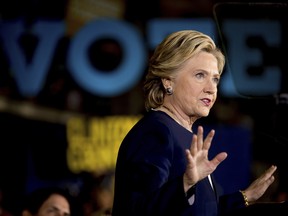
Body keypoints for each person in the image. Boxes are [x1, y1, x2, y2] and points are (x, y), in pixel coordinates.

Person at [111, 29, 277, 216]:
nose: (211, 89)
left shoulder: (182, 133)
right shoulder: (156, 132)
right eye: (200, 75)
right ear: (168, 81)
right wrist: (185, 183)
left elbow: (200, 210)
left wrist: (245, 196)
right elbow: (139, 210)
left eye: (215, 79)